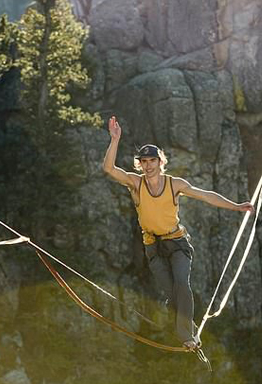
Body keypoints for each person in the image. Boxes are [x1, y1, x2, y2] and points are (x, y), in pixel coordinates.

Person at [102, 116, 253, 350]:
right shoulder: (135, 184)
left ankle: (186, 336)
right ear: (139, 164)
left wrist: (236, 206)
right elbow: (109, 169)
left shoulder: (175, 184)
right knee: (171, 294)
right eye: (144, 161)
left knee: (182, 283)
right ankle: (187, 327)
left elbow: (206, 195)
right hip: (153, 246)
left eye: (153, 160)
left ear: (161, 162)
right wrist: (115, 140)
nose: (149, 165)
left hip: (177, 243)